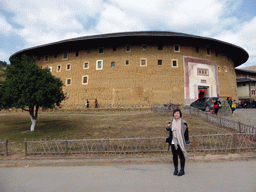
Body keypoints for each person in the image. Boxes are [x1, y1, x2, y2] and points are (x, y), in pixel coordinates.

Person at [166, 109, 189, 176]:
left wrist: (186, 141)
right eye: (175, 113)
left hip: (181, 141)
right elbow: (168, 129)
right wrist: (167, 127)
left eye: (177, 113)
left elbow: (186, 132)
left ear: (180, 114)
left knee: (181, 156)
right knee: (174, 155)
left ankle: (182, 170)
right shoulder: (171, 121)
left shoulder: (183, 122)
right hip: (173, 141)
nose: (176, 114)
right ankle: (176, 169)